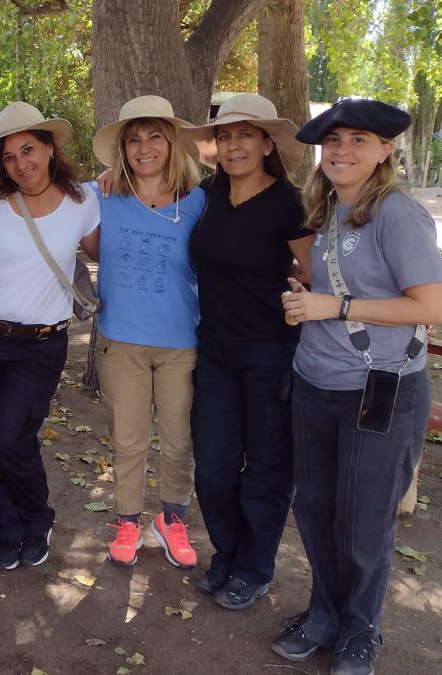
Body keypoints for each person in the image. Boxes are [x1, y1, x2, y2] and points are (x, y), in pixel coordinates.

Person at [276, 99, 442, 675]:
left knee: (364, 518)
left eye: (357, 141)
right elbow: (328, 290)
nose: (342, 151)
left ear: (384, 151)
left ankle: (360, 629)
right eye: (334, 142)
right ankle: (324, 613)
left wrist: (337, 303)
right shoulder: (326, 210)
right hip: (313, 381)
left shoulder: (398, 214)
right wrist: (304, 297)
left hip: (381, 388)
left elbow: (432, 306)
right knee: (317, 507)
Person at [177, 93, 313, 609]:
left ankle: (254, 568)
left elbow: (312, 275)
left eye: (245, 135)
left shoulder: (289, 203)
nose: (234, 145)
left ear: (266, 143)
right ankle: (228, 554)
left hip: (271, 353)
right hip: (214, 351)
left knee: (267, 468)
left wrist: (299, 292)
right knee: (212, 464)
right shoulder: (206, 193)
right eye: (226, 136)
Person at [0, 101, 100, 570]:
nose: (21, 163)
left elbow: (111, 249)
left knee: (10, 437)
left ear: (49, 148)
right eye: (8, 157)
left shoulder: (85, 202)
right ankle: (7, 524)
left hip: (40, 344)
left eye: (28, 150)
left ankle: (37, 517)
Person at [88, 96, 207, 571]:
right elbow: (40, 191)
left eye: (154, 135)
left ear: (173, 142)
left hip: (182, 341)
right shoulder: (99, 194)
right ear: (122, 149)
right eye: (133, 139)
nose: (143, 147)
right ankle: (127, 521)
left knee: (179, 439)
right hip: (121, 339)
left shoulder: (201, 201)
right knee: (129, 439)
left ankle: (172, 519)